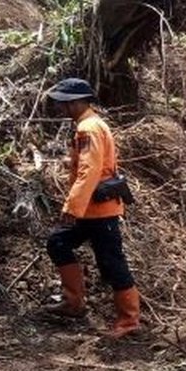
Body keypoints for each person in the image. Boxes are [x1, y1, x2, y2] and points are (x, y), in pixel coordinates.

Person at [42, 78, 140, 339]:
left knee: (112, 262)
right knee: (58, 243)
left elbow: (90, 171)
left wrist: (71, 206)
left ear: (75, 103)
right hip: (90, 210)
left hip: (99, 210)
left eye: (64, 104)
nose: (61, 109)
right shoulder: (88, 126)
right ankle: (74, 304)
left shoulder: (88, 128)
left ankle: (129, 321)